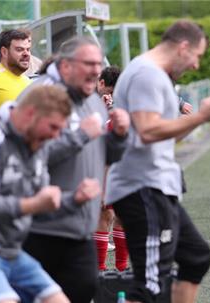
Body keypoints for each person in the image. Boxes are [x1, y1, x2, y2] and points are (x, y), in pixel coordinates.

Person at [104, 20, 210, 303]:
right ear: (183, 48)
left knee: (196, 257)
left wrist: (188, 123)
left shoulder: (154, 74)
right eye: (196, 56)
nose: (196, 65)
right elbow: (147, 130)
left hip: (156, 187)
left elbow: (161, 134)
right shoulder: (148, 75)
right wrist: (201, 116)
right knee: (150, 285)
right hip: (143, 189)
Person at [22, 36, 130, 303]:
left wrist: (117, 137)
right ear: (67, 65)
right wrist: (80, 136)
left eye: (98, 64)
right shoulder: (42, 95)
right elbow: (29, 153)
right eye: (88, 64)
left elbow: (99, 150)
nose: (96, 70)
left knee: (84, 287)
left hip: (79, 224)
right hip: (43, 225)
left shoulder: (92, 98)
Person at [0, 85, 99, 303]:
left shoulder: (37, 143)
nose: (56, 136)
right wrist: (34, 204)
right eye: (53, 127)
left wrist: (74, 199)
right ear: (30, 114)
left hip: (11, 252)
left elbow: (40, 208)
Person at [92, 65, 130, 273]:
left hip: (122, 167)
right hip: (97, 166)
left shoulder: (123, 102)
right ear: (101, 84)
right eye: (109, 92)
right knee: (104, 215)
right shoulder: (86, 97)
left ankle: (122, 270)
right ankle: (99, 269)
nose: (112, 96)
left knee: (122, 216)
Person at [0, 28, 31, 116]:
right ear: (4, 52)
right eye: (19, 49)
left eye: (28, 49)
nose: (26, 54)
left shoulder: (28, 82)